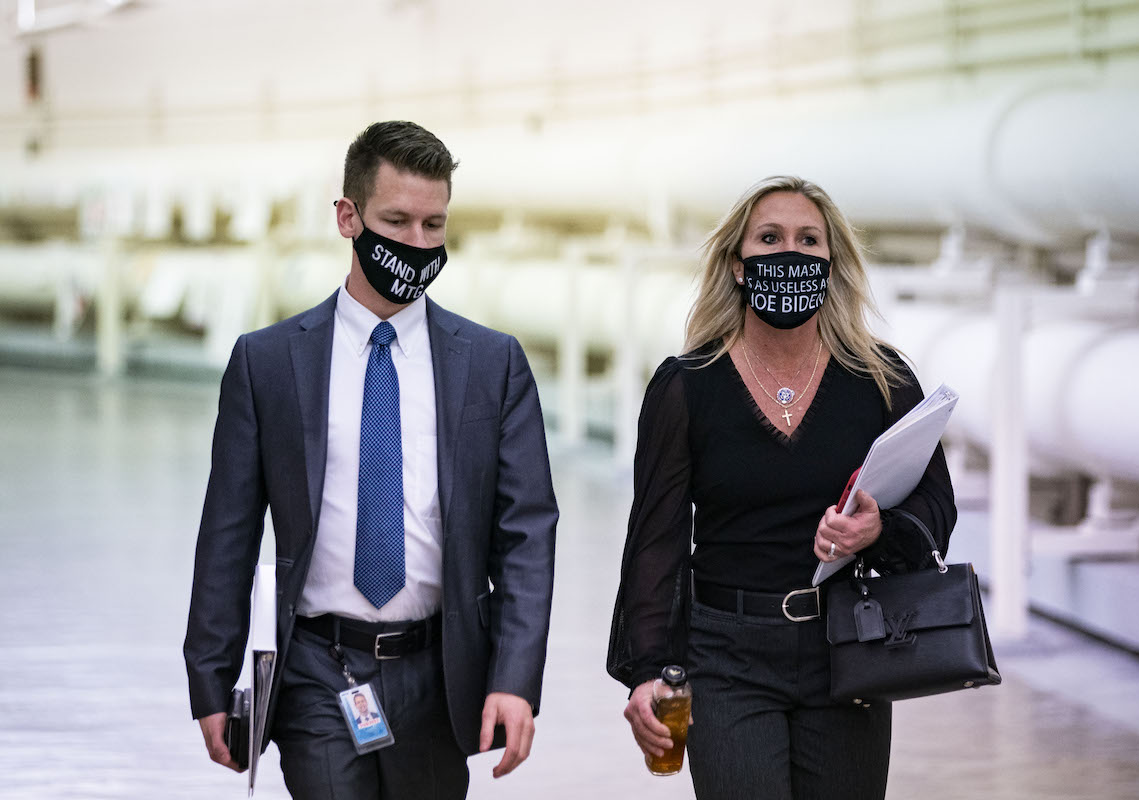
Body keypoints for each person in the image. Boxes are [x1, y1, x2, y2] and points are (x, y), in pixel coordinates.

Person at [184, 120, 558, 799]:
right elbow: (228, 532)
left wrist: (514, 678)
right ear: (348, 218)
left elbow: (526, 533)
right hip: (316, 670)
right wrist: (211, 681)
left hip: (439, 673)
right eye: (397, 221)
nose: (416, 242)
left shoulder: (492, 365)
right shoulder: (267, 363)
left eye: (433, 225)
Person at [608, 175, 956, 799]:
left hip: (847, 645)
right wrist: (648, 670)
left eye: (808, 240)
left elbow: (937, 506)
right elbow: (656, 539)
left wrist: (876, 530)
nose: (790, 252)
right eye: (769, 238)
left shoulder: (881, 380)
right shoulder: (687, 385)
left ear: (832, 262)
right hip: (725, 657)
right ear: (737, 264)